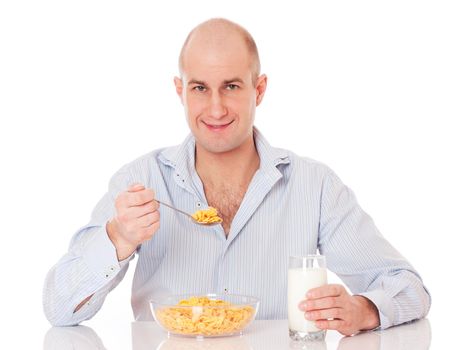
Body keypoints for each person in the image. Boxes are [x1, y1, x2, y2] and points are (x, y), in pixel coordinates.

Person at [43, 18, 431, 335]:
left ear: (258, 90)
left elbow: (408, 286)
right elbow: (58, 308)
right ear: (180, 91)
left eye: (230, 86)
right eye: (200, 88)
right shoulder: (140, 180)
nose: (215, 108)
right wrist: (119, 237)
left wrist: (363, 309)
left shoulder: (315, 187)